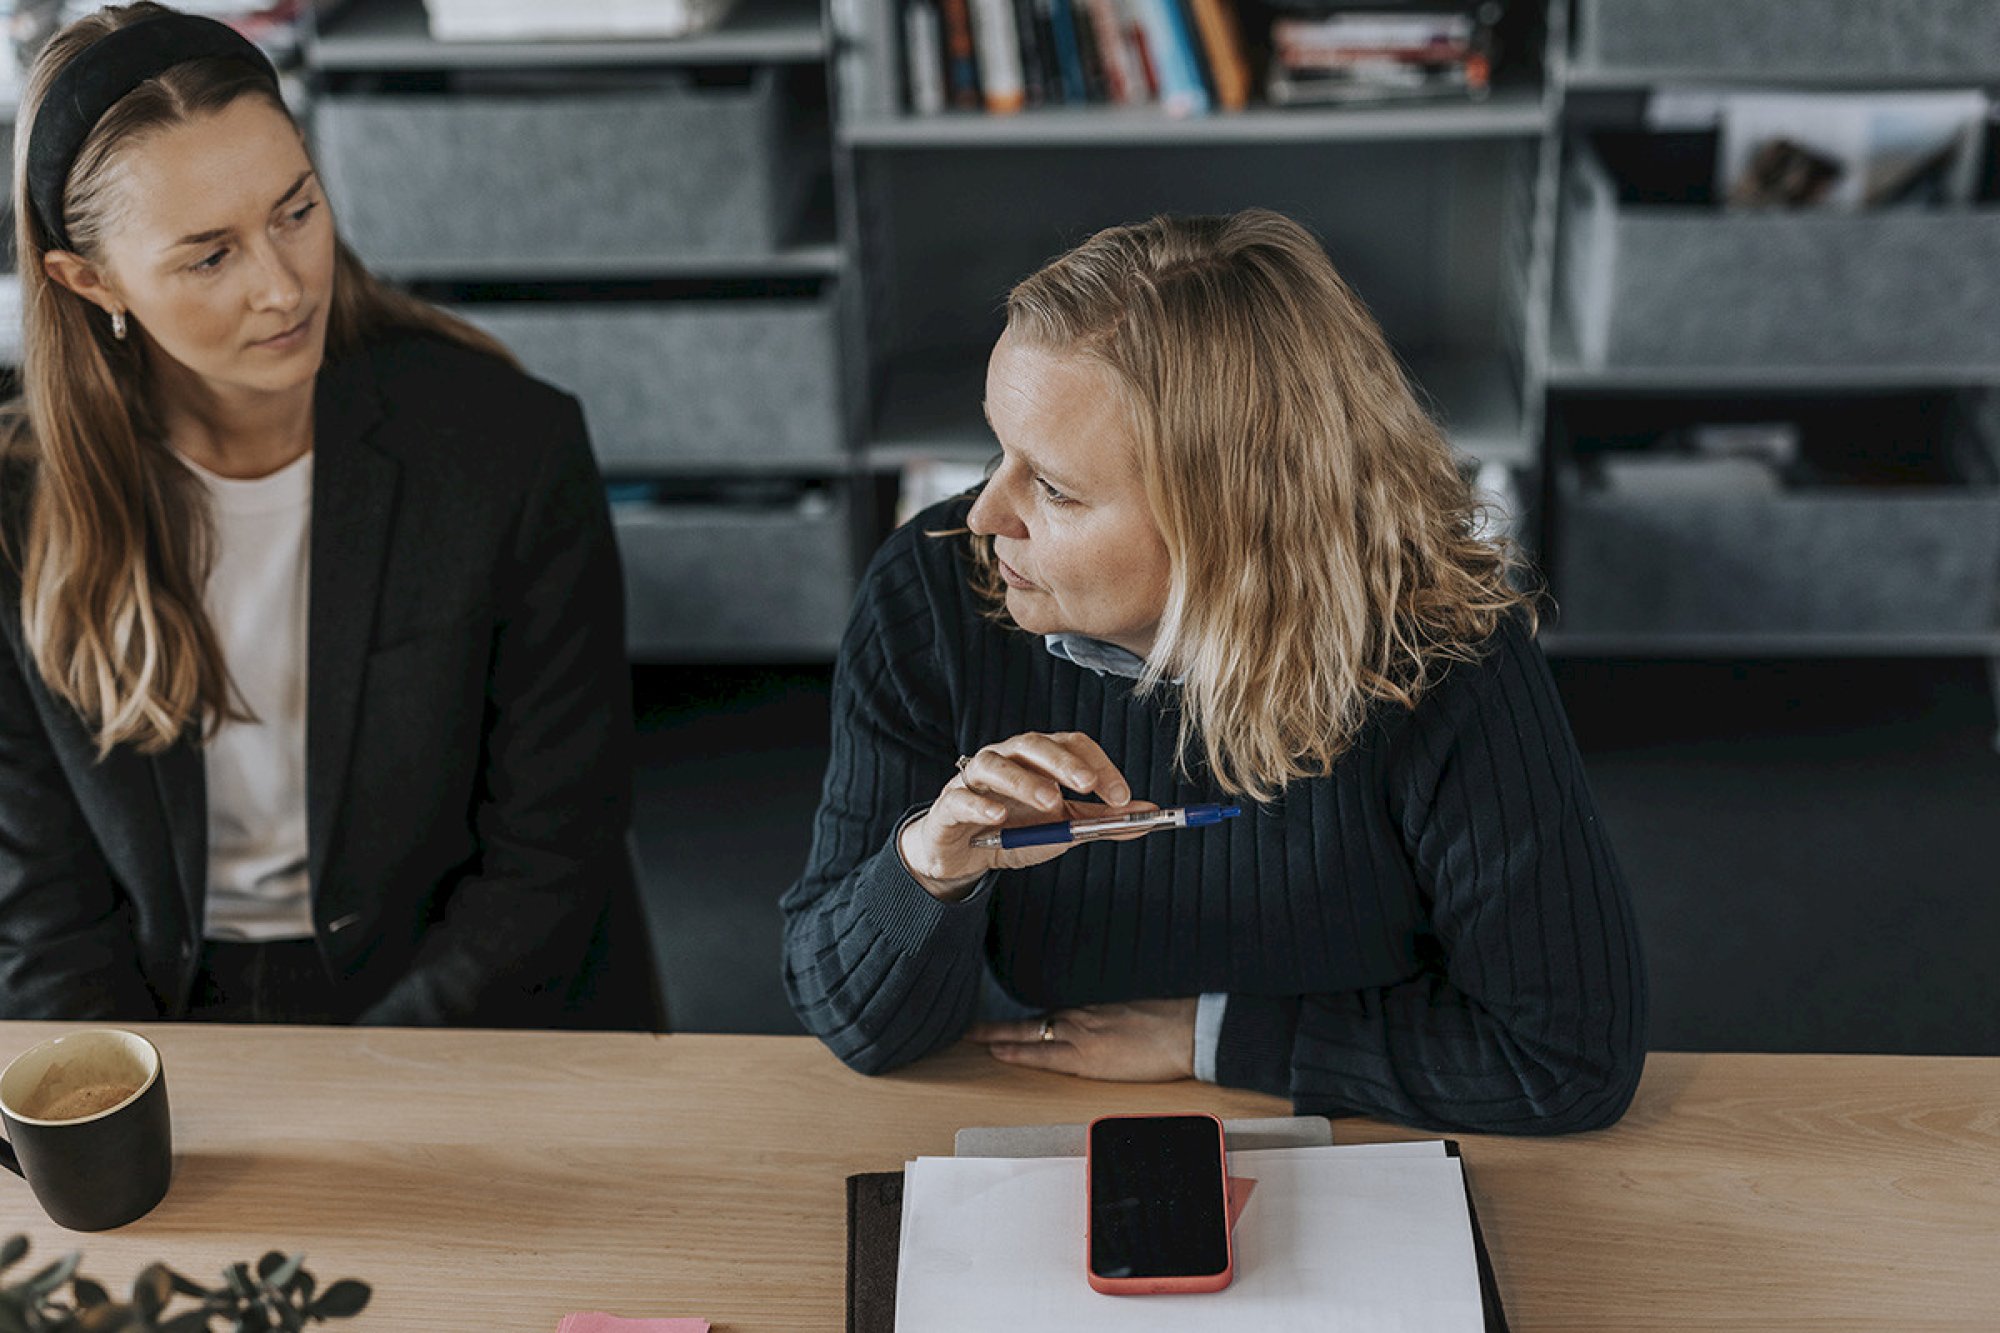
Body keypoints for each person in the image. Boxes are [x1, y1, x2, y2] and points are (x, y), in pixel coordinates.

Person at [783, 210, 1646, 1134]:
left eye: (1057, 488)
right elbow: (856, 1025)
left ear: (1233, 518)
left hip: (1365, 1134)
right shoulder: (934, 591)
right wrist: (929, 867)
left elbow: (1567, 1056)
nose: (987, 513)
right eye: (998, 449)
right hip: (1051, 1105)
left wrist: (1215, 1038)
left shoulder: (1444, 649)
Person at [0, 4, 649, 1027]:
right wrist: (116, 1095)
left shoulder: (505, 449)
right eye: (208, 256)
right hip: (165, 1004)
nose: (282, 285)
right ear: (90, 283)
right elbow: (41, 911)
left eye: (295, 209)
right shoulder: (17, 515)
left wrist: (367, 1077)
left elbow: (552, 849)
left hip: (465, 999)